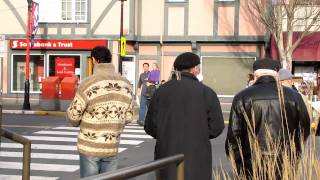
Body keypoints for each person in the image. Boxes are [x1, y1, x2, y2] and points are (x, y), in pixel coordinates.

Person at [144, 52, 225, 180]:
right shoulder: (207, 92)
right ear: (194, 69)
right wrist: (200, 133)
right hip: (197, 155)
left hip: (166, 155)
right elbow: (217, 127)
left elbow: (150, 126)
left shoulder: (161, 91)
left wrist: (166, 134)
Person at [225, 58, 310, 179]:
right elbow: (304, 129)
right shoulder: (294, 96)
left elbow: (234, 136)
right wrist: (294, 153)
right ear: (277, 73)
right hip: (285, 160)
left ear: (255, 75)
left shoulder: (242, 97)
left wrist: (239, 165)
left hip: (252, 162)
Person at [66, 46, 134, 178]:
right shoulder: (125, 84)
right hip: (111, 145)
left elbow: (73, 115)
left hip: (90, 146)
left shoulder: (88, 83)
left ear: (93, 60)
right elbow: (129, 116)